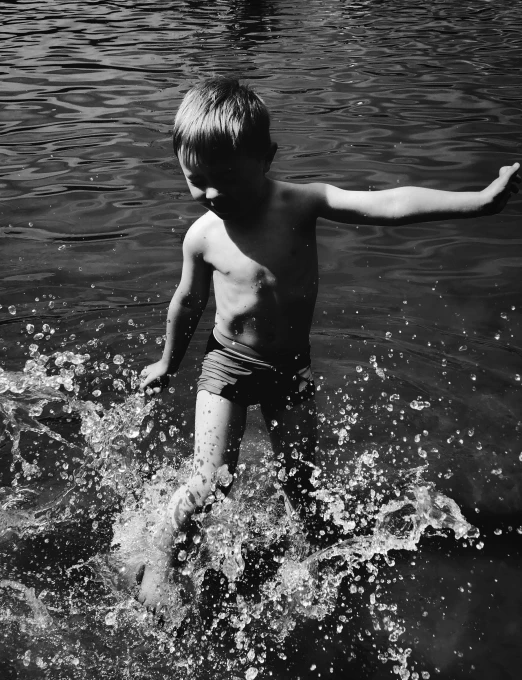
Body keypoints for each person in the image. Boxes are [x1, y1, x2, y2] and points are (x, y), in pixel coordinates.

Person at [137, 77, 519, 610]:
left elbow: (388, 203)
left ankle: (314, 572)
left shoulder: (300, 203)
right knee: (211, 483)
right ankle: (162, 560)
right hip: (225, 367)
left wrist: (479, 202)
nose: (212, 194)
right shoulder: (201, 236)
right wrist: (167, 362)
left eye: (225, 178)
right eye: (196, 180)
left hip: (292, 369)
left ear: (266, 158)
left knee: (302, 487)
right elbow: (187, 302)